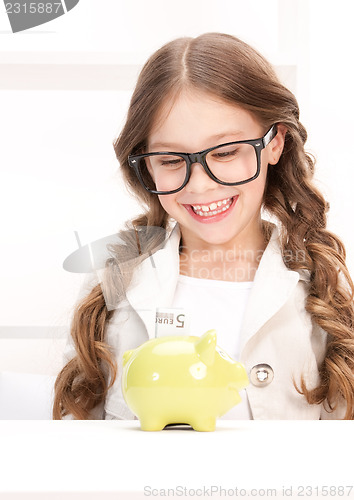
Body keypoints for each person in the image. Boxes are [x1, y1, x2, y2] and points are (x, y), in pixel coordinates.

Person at [53, 32, 354, 421]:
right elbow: (74, 432)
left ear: (275, 142)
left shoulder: (325, 282)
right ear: (145, 164)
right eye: (170, 160)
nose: (199, 185)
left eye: (226, 152)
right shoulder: (114, 275)